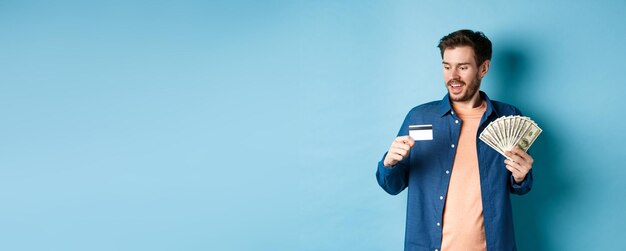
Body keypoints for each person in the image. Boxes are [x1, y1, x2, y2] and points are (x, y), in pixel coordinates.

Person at [376, 29, 534, 251]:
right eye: (447, 66)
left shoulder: (508, 117)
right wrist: (389, 163)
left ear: (483, 68)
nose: (453, 76)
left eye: (463, 67)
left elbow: (518, 187)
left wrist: (521, 176)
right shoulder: (419, 117)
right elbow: (392, 186)